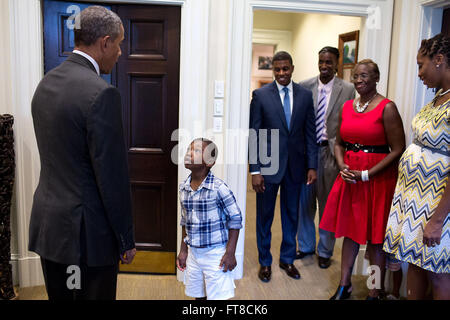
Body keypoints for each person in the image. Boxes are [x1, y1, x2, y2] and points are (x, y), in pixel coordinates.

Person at [28, 6, 136, 300]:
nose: (120, 52)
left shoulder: (45, 84)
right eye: (119, 43)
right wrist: (126, 239)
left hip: (50, 229)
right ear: (104, 42)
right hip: (87, 239)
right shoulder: (102, 93)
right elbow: (112, 178)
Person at [319, 59, 406, 300]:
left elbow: (398, 149)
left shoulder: (387, 107)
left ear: (377, 78)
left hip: (377, 179)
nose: (358, 80)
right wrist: (341, 165)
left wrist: (368, 174)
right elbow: (338, 142)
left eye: (364, 76)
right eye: (356, 76)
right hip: (350, 179)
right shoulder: (347, 107)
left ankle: (375, 289)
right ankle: (344, 285)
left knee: (376, 239)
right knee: (350, 233)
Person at [383, 33, 450, 300]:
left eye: (421, 65)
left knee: (438, 272)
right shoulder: (438, 96)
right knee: (414, 261)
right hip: (413, 202)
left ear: (440, 60)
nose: (419, 73)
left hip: (437, 205)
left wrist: (436, 220)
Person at [249, 51, 317, 282]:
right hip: (268, 167)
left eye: (285, 69)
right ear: (273, 70)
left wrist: (312, 166)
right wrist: (255, 170)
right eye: (277, 70)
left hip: (296, 166)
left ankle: (287, 259)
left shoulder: (306, 96)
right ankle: (265, 262)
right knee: (264, 216)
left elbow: (310, 133)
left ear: (292, 68)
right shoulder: (260, 95)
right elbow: (254, 135)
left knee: (291, 214)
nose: (281, 73)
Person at [297, 46, 355, 269]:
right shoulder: (304, 86)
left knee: (328, 204)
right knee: (305, 202)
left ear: (337, 64)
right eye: (321, 61)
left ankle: (325, 250)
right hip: (307, 154)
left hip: (332, 152)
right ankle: (305, 246)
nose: (324, 66)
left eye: (329, 62)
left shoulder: (348, 89)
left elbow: (349, 121)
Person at [176, 138, 242, 300]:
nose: (188, 153)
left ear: (209, 162)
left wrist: (231, 252)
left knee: (217, 297)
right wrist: (183, 250)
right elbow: (185, 221)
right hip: (194, 253)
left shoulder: (219, 188)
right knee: (198, 295)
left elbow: (235, 219)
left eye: (196, 151)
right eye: (188, 150)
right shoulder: (183, 188)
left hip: (216, 254)